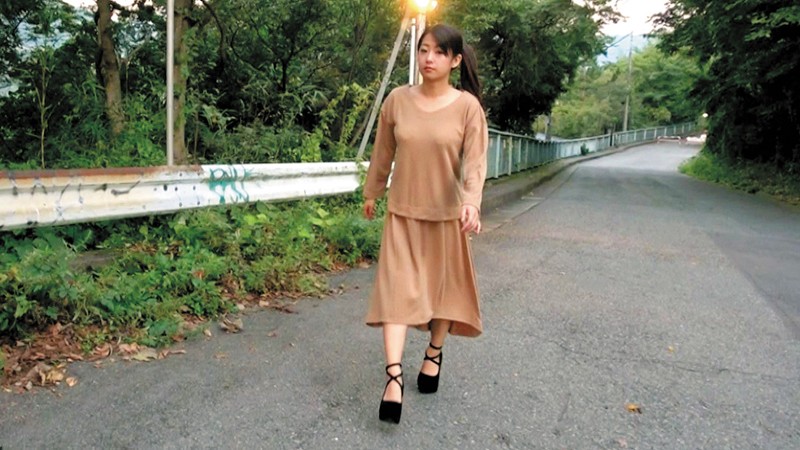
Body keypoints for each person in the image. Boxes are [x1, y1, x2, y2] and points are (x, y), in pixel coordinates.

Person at [362, 23, 488, 424]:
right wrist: (372, 191)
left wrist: (472, 203)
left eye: (438, 52)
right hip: (402, 213)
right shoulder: (398, 101)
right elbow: (383, 152)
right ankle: (393, 378)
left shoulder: (467, 107)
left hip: (447, 216)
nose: (428, 58)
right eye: (423, 50)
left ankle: (434, 352)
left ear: (455, 60)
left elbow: (475, 162)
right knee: (396, 293)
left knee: (443, 292)